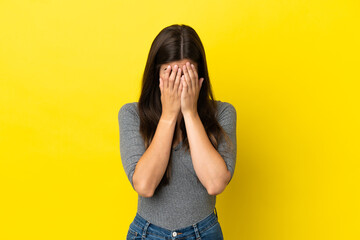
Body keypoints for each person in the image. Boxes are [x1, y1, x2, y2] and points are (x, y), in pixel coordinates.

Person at [118, 24, 237, 240]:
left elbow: (216, 183)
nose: (179, 82)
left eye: (187, 73)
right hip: (147, 234)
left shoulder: (223, 113)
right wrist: (168, 116)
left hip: (205, 233)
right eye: (171, 73)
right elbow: (144, 186)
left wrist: (190, 114)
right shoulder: (132, 115)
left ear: (199, 74)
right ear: (156, 74)